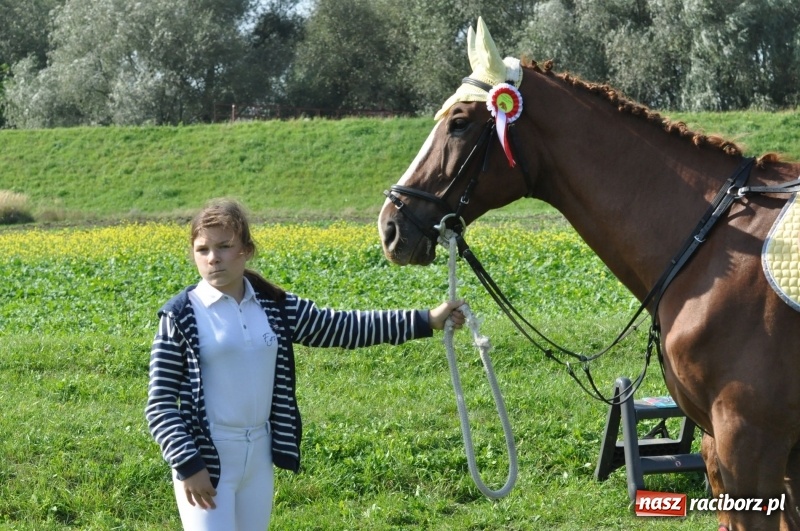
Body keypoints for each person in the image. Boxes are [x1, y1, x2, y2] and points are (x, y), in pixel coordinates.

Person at [145, 198, 465, 530]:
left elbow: (342, 327)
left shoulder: (274, 306)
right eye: (202, 250)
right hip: (207, 463)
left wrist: (426, 320)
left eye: (224, 246)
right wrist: (187, 464)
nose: (213, 258)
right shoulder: (181, 315)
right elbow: (160, 404)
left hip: (258, 458)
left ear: (247, 250)